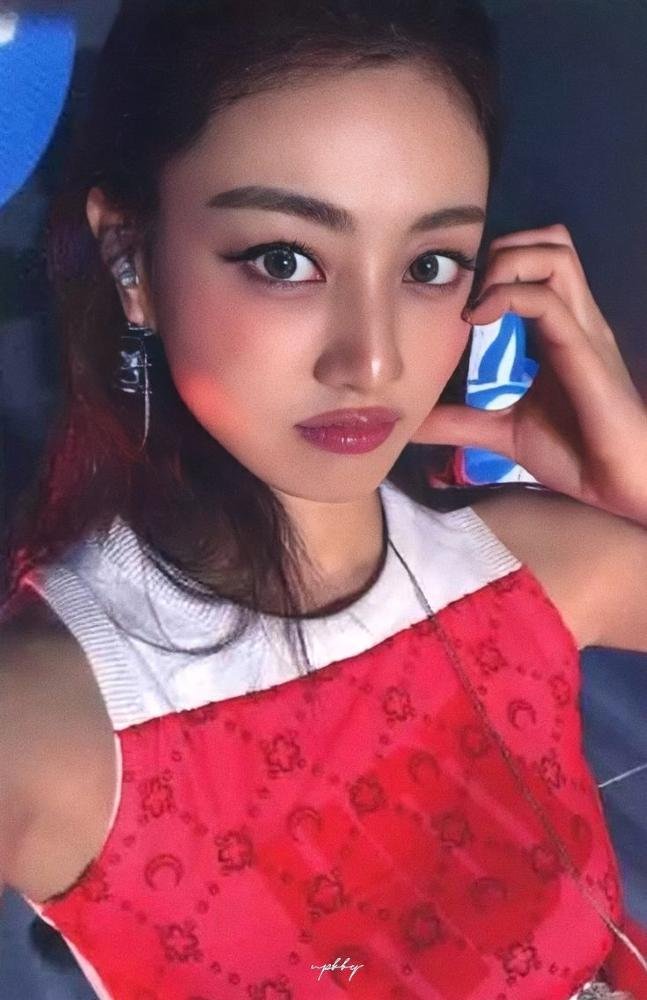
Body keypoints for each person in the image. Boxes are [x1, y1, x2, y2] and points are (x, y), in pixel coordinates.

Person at [1, 1, 647, 997]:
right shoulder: (51, 722)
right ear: (130, 257)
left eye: (429, 266)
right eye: (285, 260)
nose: (374, 360)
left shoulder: (531, 570)